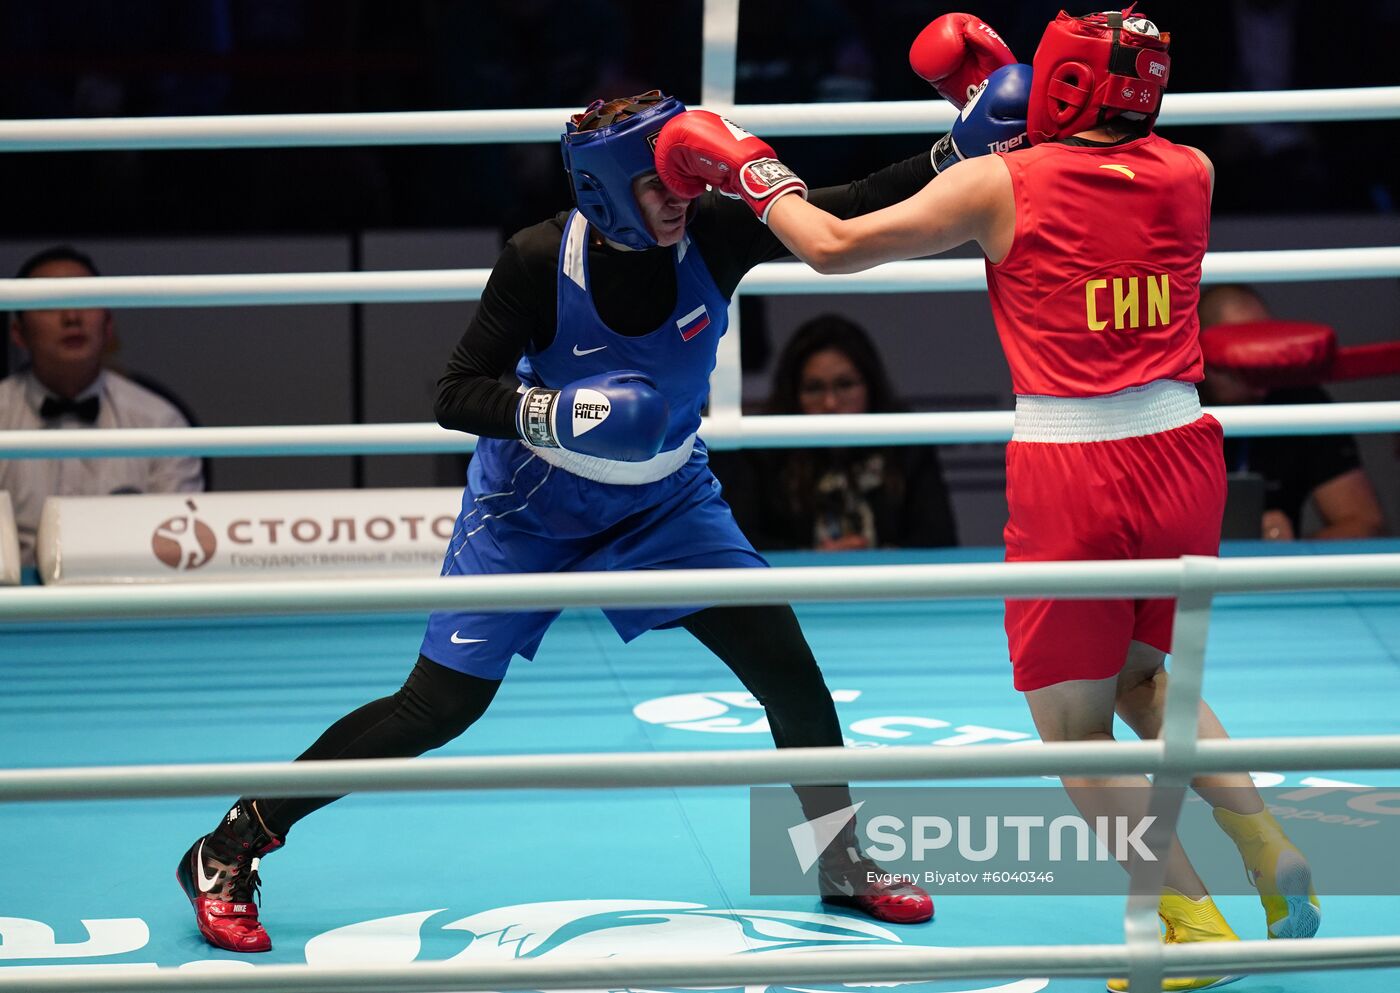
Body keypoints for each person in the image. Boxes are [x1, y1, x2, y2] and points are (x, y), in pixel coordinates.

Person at [174, 13, 1030, 951]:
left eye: (687, 177)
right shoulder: (542, 258)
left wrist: (962, 149)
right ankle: (230, 843)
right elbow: (454, 390)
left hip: (668, 498)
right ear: (607, 188)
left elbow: (856, 200)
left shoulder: (714, 230)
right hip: (531, 506)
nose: (679, 197)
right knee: (436, 708)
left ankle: (836, 856)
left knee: (786, 666)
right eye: (660, 183)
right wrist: (554, 412)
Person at [656, 9, 1319, 990]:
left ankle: (1189, 926)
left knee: (1071, 732)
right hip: (1184, 456)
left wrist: (753, 171)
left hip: (1076, 470)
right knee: (1144, 684)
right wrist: (993, 109)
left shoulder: (1002, 181)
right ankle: (1267, 849)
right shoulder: (1191, 174)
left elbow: (832, 246)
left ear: (1055, 83)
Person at [0, 245, 204, 568]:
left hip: (132, 604)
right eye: (50, 303)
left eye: (84, 299)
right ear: (19, 334)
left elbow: (179, 555)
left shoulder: (160, 422)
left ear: (108, 327)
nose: (71, 318)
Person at [718, 313, 957, 550]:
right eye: (814, 388)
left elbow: (940, 539)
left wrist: (878, 562)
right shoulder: (762, 450)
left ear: (871, 387)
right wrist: (813, 562)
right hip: (795, 589)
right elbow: (740, 543)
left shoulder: (906, 443)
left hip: (891, 587)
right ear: (792, 394)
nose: (830, 403)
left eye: (845, 385)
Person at [1197, 283, 1386, 541]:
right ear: (1201, 356)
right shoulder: (1168, 404)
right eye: (1238, 360)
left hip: (1274, 578)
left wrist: (1287, 548)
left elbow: (1366, 524)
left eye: (1264, 352)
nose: (1256, 373)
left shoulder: (1301, 404)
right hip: (1180, 572)